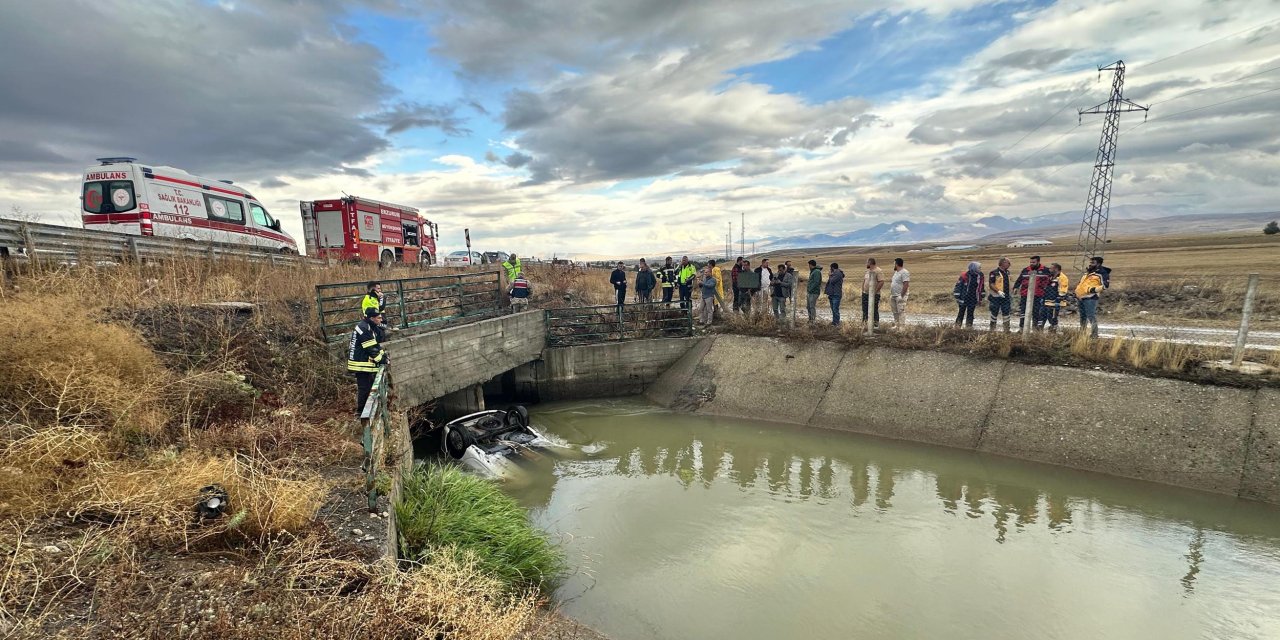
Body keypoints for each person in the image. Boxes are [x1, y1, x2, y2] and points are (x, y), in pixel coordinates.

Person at [347, 307, 387, 416]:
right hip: (361, 363)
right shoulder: (364, 328)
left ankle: (367, 411)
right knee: (364, 388)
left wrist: (383, 356)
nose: (381, 320)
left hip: (363, 361)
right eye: (379, 318)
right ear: (372, 318)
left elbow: (376, 343)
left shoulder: (369, 326)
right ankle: (361, 413)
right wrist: (382, 360)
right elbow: (371, 348)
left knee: (369, 387)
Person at [1013, 255, 1051, 330]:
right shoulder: (1025, 270)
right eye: (1030, 262)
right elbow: (1019, 280)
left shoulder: (1045, 270)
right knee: (1023, 312)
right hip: (1025, 295)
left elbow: (1051, 280)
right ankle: (1022, 328)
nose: (1031, 263)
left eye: (1033, 262)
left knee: (1036, 312)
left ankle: (1035, 328)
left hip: (1039, 295)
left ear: (1038, 262)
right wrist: (1015, 287)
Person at [1076, 258, 1106, 337]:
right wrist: (1077, 292)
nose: (1090, 264)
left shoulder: (1102, 273)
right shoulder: (1087, 273)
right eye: (1090, 262)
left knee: (1091, 316)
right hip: (1081, 297)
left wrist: (1093, 290)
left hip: (1091, 298)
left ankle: (1094, 334)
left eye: (1093, 262)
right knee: (1082, 316)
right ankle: (1082, 333)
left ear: (1098, 264)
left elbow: (1105, 286)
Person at [953, 261, 985, 328]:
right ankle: (957, 327)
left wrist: (982, 294)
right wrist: (957, 295)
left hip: (973, 297)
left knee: (970, 314)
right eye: (979, 267)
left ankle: (968, 328)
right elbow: (958, 285)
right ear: (974, 268)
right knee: (961, 313)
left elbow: (981, 285)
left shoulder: (980, 275)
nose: (980, 269)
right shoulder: (965, 275)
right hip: (964, 297)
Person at [988, 258, 1013, 332]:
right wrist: (998, 291)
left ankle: (1006, 329)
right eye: (1008, 263)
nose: (1009, 264)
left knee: (1006, 312)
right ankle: (992, 329)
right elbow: (991, 284)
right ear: (1003, 263)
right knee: (994, 312)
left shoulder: (1008, 272)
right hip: (996, 296)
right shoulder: (994, 272)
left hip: (1006, 296)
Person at [1043, 262, 1069, 332]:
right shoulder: (1051, 276)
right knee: (1049, 314)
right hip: (1049, 299)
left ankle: (1054, 327)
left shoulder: (1062, 277)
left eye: (1051, 268)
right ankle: (1052, 326)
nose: (1049, 269)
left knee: (1054, 315)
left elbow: (1063, 288)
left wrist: (1060, 297)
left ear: (1056, 269)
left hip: (1056, 300)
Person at [861, 258, 884, 327]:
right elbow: (864, 280)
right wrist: (863, 289)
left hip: (874, 294)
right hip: (865, 293)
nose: (866, 264)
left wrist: (875, 291)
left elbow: (881, 282)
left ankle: (875, 325)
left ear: (870, 263)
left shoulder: (878, 271)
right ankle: (865, 324)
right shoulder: (867, 271)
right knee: (865, 309)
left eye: (867, 263)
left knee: (874, 309)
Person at [889, 257, 910, 330]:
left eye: (894, 264)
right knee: (895, 311)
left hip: (900, 295)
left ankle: (902, 327)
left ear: (896, 264)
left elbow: (906, 284)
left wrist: (901, 296)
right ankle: (897, 325)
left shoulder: (904, 272)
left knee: (901, 311)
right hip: (893, 295)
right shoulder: (896, 272)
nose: (893, 265)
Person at [806, 260, 822, 324]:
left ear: (811, 265)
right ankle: (810, 319)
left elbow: (816, 282)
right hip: (810, 292)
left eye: (809, 265)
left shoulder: (816, 272)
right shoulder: (813, 271)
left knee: (812, 306)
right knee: (808, 306)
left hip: (814, 292)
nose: (809, 266)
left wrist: (810, 289)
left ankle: (813, 320)